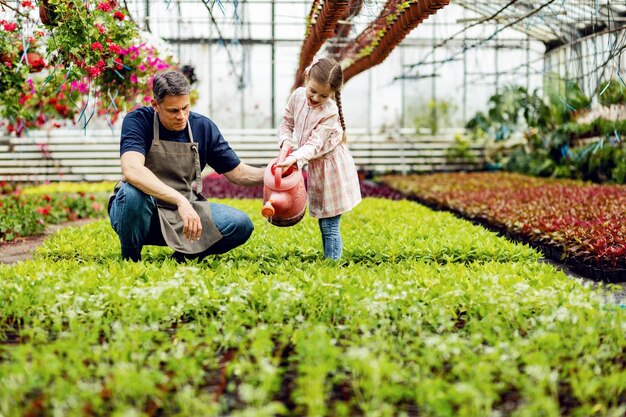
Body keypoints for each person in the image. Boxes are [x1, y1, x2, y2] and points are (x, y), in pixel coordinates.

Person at [108, 70, 265, 262]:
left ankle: (181, 258)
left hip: (183, 215)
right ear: (155, 105)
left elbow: (238, 172)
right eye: (173, 110)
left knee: (240, 224)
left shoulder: (203, 127)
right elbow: (132, 169)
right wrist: (180, 201)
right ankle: (131, 259)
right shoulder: (138, 121)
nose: (181, 116)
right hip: (144, 215)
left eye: (185, 108)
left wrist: (273, 173)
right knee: (132, 194)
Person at [275, 57, 362, 260]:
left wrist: (295, 157)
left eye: (323, 96)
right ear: (307, 77)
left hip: (333, 168)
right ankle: (329, 260)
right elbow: (286, 124)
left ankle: (332, 266)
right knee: (324, 221)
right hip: (316, 164)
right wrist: (286, 144)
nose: (315, 98)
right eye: (312, 91)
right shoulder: (297, 96)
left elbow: (314, 145)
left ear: (332, 94)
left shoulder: (330, 112)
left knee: (330, 224)